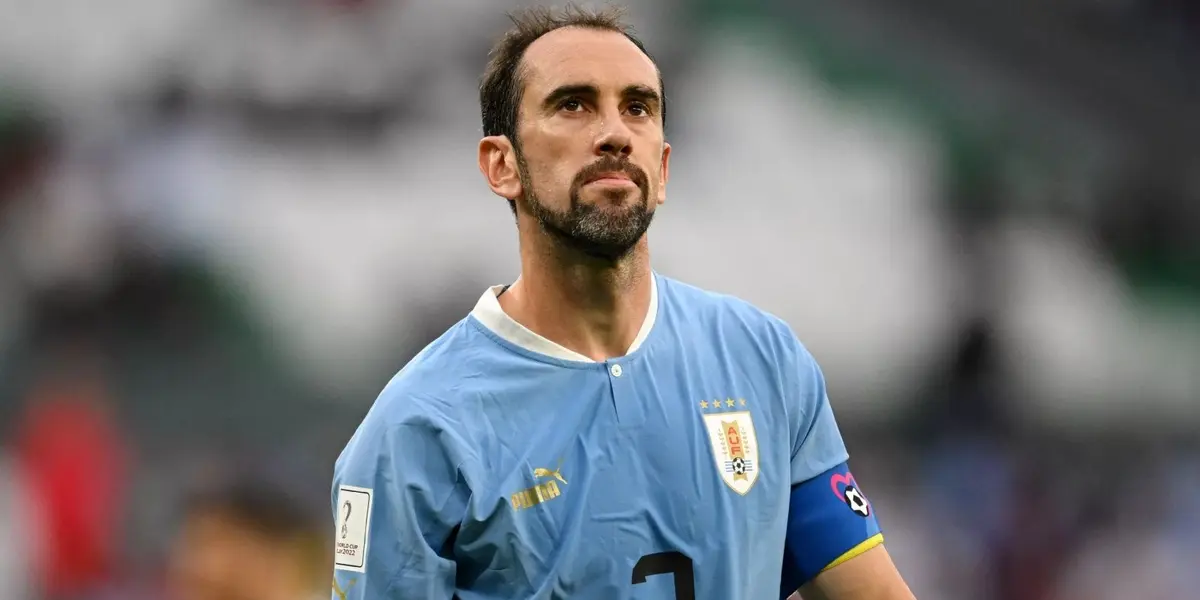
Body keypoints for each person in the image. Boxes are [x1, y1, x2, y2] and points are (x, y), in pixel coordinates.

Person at [330, 5, 916, 599]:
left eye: (637, 107)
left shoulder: (764, 359)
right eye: (573, 104)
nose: (614, 132)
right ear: (501, 165)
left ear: (661, 168)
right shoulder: (416, 429)